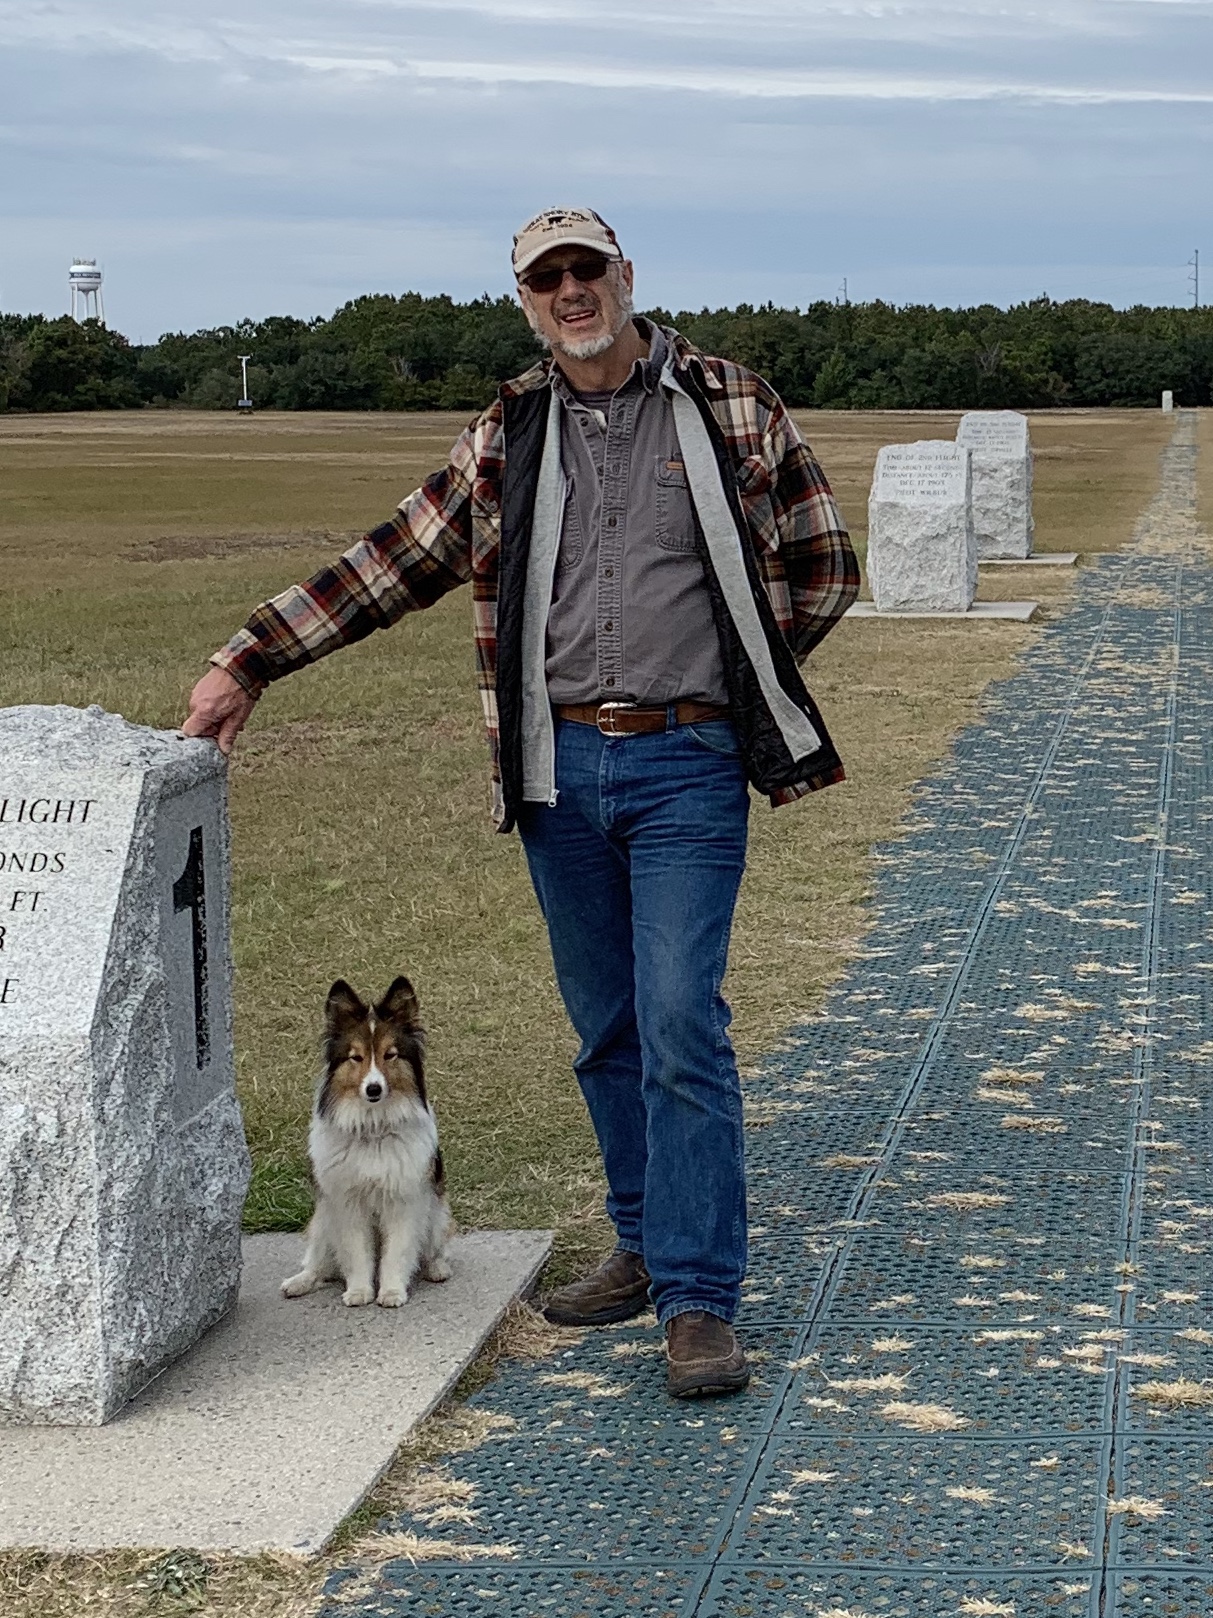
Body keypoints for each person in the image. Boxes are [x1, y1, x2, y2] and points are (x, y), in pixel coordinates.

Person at [184, 206, 858, 1398]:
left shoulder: (729, 402)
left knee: (680, 1019)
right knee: (607, 1029)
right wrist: (250, 660)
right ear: (526, 300)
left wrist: (748, 669)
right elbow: (391, 562)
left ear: (624, 275)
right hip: (560, 770)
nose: (570, 290)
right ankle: (642, 1244)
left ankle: (698, 1298)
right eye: (546, 278)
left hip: (687, 760)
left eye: (585, 268)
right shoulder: (508, 430)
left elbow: (825, 560)